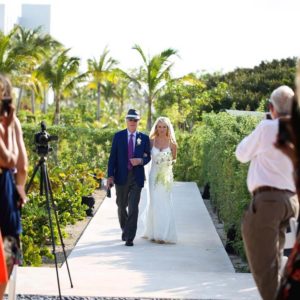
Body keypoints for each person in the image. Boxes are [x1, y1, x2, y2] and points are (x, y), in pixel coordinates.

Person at [235, 85, 299, 300]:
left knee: (265, 268)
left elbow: (241, 154)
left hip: (268, 202)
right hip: (291, 202)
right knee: (278, 258)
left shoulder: (267, 128)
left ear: (271, 107)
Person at [0, 74, 28, 299]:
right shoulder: (12, 122)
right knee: (8, 244)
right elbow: (20, 164)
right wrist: (20, 188)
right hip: (5, 188)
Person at [107, 109, 151, 246]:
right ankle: (125, 229)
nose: (132, 122)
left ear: (138, 121)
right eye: (130, 119)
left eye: (135, 120)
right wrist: (110, 176)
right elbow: (112, 158)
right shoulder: (118, 136)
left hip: (136, 177)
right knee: (121, 206)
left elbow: (148, 156)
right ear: (126, 120)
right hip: (121, 176)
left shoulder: (143, 138)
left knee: (133, 207)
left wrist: (140, 161)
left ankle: (130, 237)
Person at [142, 116, 177, 244]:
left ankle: (164, 233)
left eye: (164, 127)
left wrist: (166, 167)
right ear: (156, 127)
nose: (161, 129)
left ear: (168, 128)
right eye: (159, 126)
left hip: (166, 177)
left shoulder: (173, 144)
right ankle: (154, 233)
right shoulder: (151, 141)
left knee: (165, 202)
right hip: (153, 175)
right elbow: (146, 155)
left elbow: (173, 160)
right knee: (154, 202)